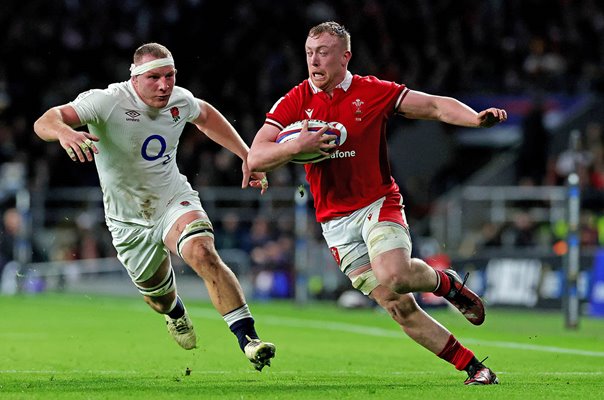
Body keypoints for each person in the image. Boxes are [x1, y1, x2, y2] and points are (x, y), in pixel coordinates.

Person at [248, 22, 507, 384]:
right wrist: (294, 148)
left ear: (345, 56)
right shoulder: (294, 101)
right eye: (309, 53)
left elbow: (432, 106)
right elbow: (256, 156)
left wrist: (475, 120)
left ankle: (444, 284)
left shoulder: (372, 91)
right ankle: (474, 368)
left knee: (395, 276)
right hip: (334, 223)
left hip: (377, 203)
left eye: (323, 52)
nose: (314, 60)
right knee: (399, 306)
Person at [33, 42, 275, 371]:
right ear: (134, 78)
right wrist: (63, 133)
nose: (164, 85)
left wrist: (248, 155)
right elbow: (46, 120)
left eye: (169, 76)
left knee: (202, 251)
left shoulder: (179, 100)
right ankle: (175, 312)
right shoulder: (106, 101)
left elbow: (205, 115)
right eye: (154, 78)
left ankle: (249, 339)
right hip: (127, 220)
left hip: (172, 199)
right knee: (158, 299)